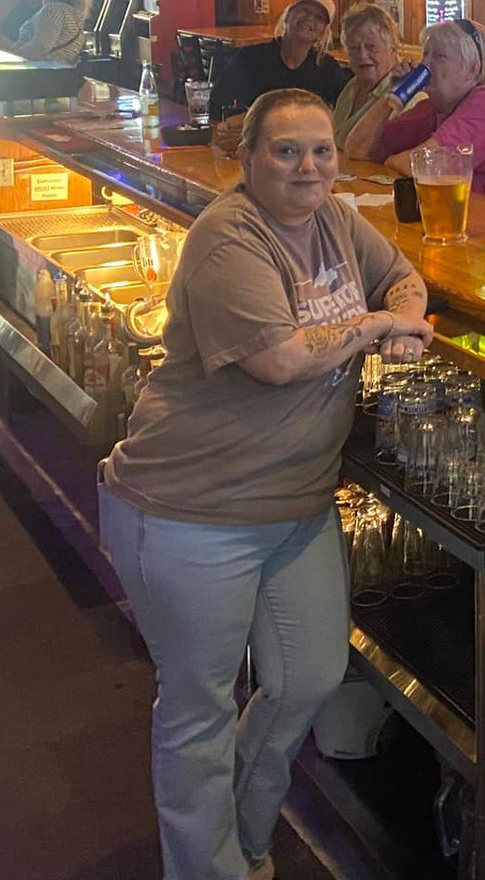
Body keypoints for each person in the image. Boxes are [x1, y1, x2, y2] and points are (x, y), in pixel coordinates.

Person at [99, 90, 433, 880]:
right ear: (247, 160)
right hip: (190, 509)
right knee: (198, 710)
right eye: (285, 151)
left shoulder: (338, 221)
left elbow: (405, 277)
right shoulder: (228, 237)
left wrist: (407, 314)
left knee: (310, 676)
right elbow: (280, 360)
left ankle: (244, 842)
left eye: (320, 150)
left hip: (297, 505)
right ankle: (207, 869)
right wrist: (381, 327)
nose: (307, 166)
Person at [371, 18, 485, 207]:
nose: (424, 65)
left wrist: (392, 159)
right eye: (425, 55)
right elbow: (358, 148)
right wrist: (391, 95)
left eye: (439, 56)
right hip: (465, 225)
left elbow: (420, 168)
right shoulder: (434, 107)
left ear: (471, 69)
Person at [210, 0, 351, 150]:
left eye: (318, 17)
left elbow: (342, 116)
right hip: (249, 149)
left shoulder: (327, 68)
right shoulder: (251, 58)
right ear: (287, 15)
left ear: (323, 32)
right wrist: (228, 128)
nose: (310, 18)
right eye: (304, 10)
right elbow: (217, 103)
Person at [333, 2, 415, 159]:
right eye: (354, 48)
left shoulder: (408, 95)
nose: (362, 55)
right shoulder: (352, 86)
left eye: (371, 47)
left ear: (393, 48)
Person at [16, 0, 88, 62]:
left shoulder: (52, 10)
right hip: (60, 71)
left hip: (42, 70)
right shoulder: (75, 15)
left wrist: (10, 52)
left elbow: (40, 47)